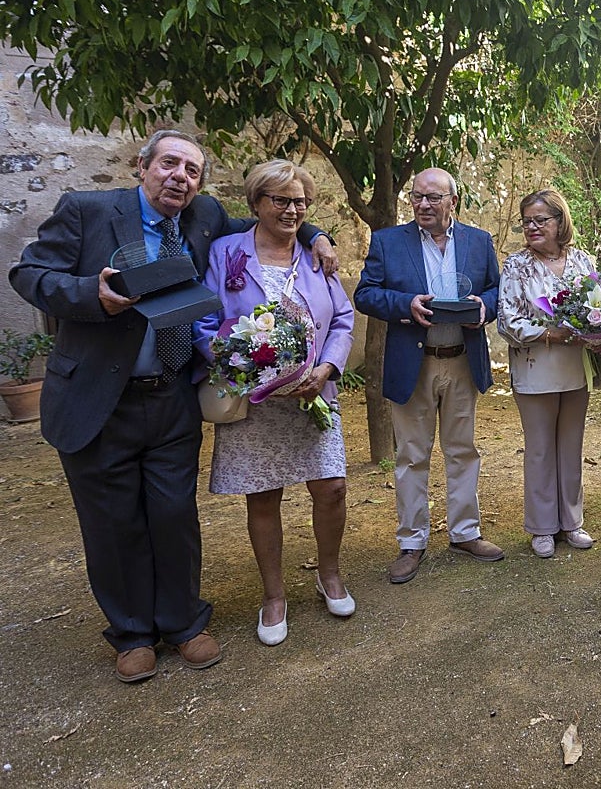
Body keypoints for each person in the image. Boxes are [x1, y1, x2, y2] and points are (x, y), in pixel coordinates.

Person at [8, 130, 336, 682]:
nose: (179, 177)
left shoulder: (204, 216)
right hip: (99, 398)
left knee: (173, 515)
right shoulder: (87, 210)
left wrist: (317, 233)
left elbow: (271, 215)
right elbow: (29, 274)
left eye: (192, 170)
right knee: (113, 522)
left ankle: (184, 623)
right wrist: (92, 294)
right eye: (169, 164)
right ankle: (132, 634)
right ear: (143, 166)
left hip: (171, 395)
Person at [195, 160, 355, 646]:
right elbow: (205, 322)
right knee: (264, 496)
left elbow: (342, 318)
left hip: (313, 394)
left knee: (332, 488)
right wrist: (241, 365)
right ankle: (274, 595)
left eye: (300, 202)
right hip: (254, 402)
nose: (292, 210)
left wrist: (327, 368)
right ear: (256, 203)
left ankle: (329, 574)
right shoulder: (226, 252)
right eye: (281, 200)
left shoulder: (316, 256)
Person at [355, 167, 504, 584]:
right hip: (413, 363)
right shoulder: (387, 241)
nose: (423, 204)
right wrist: (405, 304)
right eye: (417, 196)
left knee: (463, 450)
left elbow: (496, 290)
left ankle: (465, 533)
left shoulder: (479, 241)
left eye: (433, 197)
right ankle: (411, 542)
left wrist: (484, 308)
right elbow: (365, 293)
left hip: (462, 360)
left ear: (452, 201)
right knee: (411, 455)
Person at [496, 189, 598, 558]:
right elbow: (507, 320)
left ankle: (571, 522)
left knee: (571, 446)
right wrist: (549, 334)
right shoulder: (516, 265)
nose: (533, 227)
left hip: (575, 367)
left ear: (559, 221)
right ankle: (542, 527)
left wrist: (599, 332)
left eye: (541, 220)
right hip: (535, 367)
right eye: (527, 222)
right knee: (540, 450)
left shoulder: (582, 261)